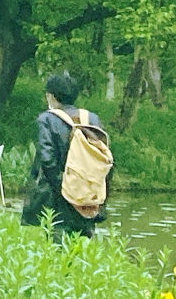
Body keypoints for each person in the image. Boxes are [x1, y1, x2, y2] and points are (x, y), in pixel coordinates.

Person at [21, 70, 111, 240]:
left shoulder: (47, 119)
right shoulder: (91, 119)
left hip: (58, 194)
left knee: (58, 240)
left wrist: (62, 186)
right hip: (88, 189)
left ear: (51, 96)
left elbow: (47, 158)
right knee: (83, 242)